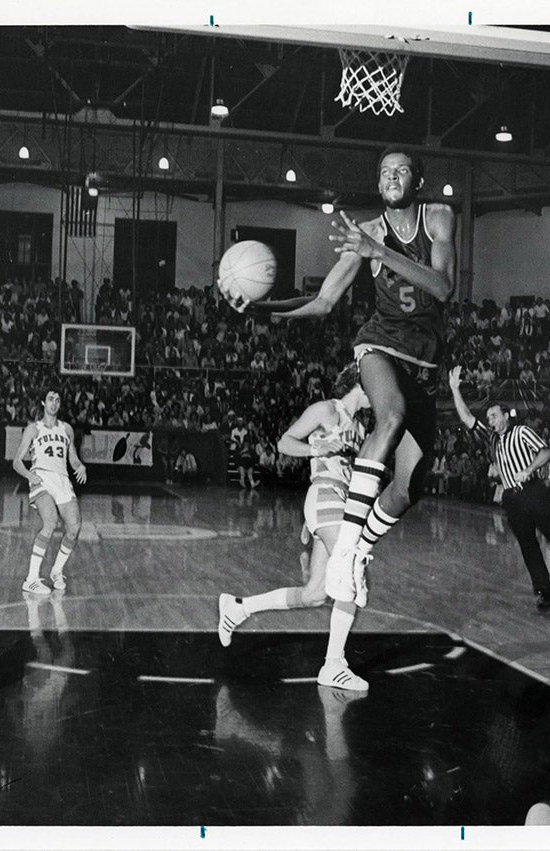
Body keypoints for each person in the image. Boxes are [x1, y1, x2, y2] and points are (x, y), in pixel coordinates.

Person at [221, 145, 455, 611]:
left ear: (417, 181)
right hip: (380, 345)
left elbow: (443, 287)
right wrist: (266, 310)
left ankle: (360, 545)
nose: (392, 176)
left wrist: (379, 252)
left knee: (408, 488)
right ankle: (347, 549)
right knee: (389, 417)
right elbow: (325, 301)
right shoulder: (366, 232)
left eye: (401, 170)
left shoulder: (438, 218)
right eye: (385, 171)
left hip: (425, 362)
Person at [217, 364, 372, 690]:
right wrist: (317, 448)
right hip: (325, 495)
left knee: (316, 594)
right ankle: (333, 665)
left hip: (337, 503)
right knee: (352, 570)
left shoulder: (358, 427)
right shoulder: (326, 409)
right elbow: (284, 443)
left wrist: (310, 522)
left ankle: (239, 608)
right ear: (362, 382)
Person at [448, 367, 550, 609]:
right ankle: (546, 593)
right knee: (528, 545)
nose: (489, 420)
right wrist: (454, 389)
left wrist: (529, 469)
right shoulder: (492, 438)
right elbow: (467, 419)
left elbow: (545, 452)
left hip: (534, 492)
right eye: (489, 417)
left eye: (493, 416)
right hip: (512, 498)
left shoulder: (521, 432)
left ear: (505, 416)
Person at [12, 389, 88, 595]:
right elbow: (17, 462)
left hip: (62, 479)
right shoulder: (33, 429)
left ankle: (56, 571)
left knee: (74, 526)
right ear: (43, 403)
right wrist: (29, 475)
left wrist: (80, 466)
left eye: (57, 400)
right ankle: (31, 579)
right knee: (50, 522)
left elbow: (72, 459)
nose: (54, 403)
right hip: (41, 478)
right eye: (50, 399)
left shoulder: (67, 429)